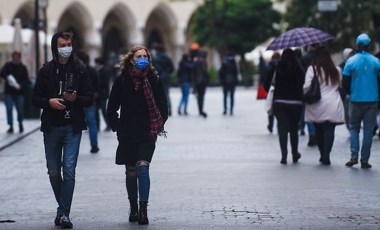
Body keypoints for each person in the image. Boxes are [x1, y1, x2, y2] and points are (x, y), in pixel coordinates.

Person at [32, 31, 93, 228]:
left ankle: (64, 213)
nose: (67, 47)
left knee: (69, 170)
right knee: (53, 172)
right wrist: (49, 102)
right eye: (63, 44)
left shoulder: (81, 69)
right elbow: (35, 99)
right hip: (51, 127)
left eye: (69, 43)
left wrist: (77, 99)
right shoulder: (46, 70)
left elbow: (90, 97)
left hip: (72, 126)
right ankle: (62, 207)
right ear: (55, 47)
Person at [107, 45, 168, 225]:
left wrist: (156, 125)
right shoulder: (122, 80)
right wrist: (117, 126)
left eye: (145, 56)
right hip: (127, 133)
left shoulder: (154, 80)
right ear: (132, 59)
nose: (143, 59)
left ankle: (143, 210)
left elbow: (163, 107)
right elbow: (111, 107)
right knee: (131, 171)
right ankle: (133, 207)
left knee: (142, 167)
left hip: (147, 133)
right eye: (139, 56)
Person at [342, 33, 380, 169]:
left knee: (354, 129)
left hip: (356, 100)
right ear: (369, 45)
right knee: (368, 130)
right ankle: (365, 160)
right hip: (372, 100)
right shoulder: (376, 61)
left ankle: (353, 157)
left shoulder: (350, 61)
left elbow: (345, 82)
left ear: (357, 45)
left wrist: (351, 93)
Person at [304, 46, 345, 165]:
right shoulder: (336, 70)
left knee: (318, 129)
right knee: (329, 130)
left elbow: (307, 86)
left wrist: (303, 92)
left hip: (317, 104)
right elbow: (340, 85)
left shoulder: (312, 69)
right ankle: (327, 153)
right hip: (333, 103)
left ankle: (322, 152)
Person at [272, 48, 304, 164]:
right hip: (295, 103)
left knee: (282, 129)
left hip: (279, 102)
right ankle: (294, 154)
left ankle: (284, 155)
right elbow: (303, 85)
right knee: (294, 129)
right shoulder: (299, 70)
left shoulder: (277, 68)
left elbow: (267, 84)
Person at [0, 51, 30, 133]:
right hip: (8, 92)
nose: (15, 58)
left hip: (19, 92)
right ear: (12, 57)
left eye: (17, 56)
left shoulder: (23, 67)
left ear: (19, 57)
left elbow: (26, 80)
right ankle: (11, 126)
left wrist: (21, 85)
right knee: (9, 109)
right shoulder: (8, 65)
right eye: (14, 56)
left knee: (20, 110)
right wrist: (8, 77)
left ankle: (20, 123)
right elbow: (2, 73)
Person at [77, 50, 100, 153]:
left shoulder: (75, 70)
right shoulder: (92, 70)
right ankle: (94, 145)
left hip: (77, 101)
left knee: (76, 125)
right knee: (92, 124)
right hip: (90, 101)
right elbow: (97, 86)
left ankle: (74, 147)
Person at [301, 44, 319, 146]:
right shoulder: (321, 57)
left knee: (308, 111)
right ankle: (317, 132)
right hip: (320, 88)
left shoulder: (305, 58)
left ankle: (312, 132)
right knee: (319, 111)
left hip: (307, 88)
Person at [151, 43, 174, 116]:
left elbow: (154, 68)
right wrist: (167, 73)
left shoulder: (155, 58)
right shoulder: (167, 57)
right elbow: (172, 68)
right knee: (166, 93)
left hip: (158, 77)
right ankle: (169, 109)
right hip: (166, 77)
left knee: (157, 94)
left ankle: (159, 109)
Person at [264, 51, 281, 133]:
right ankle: (278, 125)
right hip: (279, 90)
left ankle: (270, 125)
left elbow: (265, 79)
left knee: (270, 108)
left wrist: (267, 89)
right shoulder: (282, 65)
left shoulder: (268, 66)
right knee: (278, 109)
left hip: (270, 90)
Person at [95, 57, 111, 131]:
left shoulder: (104, 70)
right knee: (98, 110)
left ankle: (108, 125)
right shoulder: (98, 70)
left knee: (103, 110)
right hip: (99, 93)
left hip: (103, 94)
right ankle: (98, 125)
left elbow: (104, 82)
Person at [192, 49, 210, 118]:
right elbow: (205, 72)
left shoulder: (196, 61)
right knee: (201, 96)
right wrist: (208, 78)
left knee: (199, 96)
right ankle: (201, 110)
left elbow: (193, 71)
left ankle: (200, 110)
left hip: (197, 81)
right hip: (202, 81)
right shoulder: (203, 61)